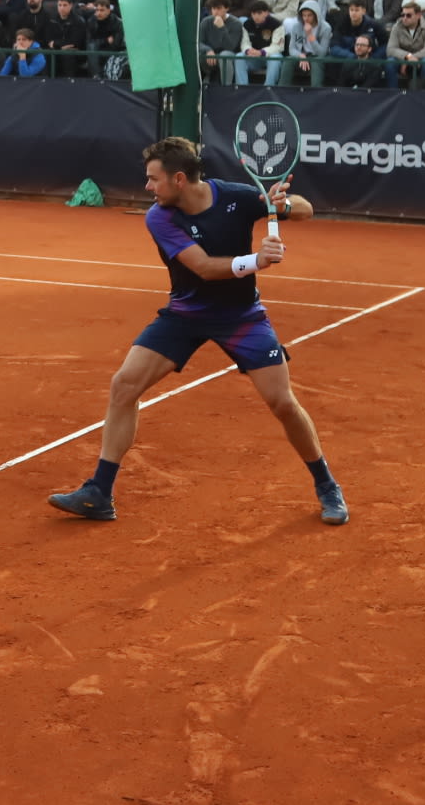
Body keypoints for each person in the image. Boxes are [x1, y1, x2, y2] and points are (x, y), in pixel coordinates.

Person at [47, 137, 344, 527]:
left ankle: (326, 485)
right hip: (185, 315)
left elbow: (306, 209)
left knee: (282, 403)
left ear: (180, 179)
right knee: (125, 385)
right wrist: (258, 260)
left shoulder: (236, 197)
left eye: (154, 180)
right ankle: (99, 493)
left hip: (241, 318)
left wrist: (281, 204)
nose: (148, 188)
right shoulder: (159, 217)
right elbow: (203, 267)